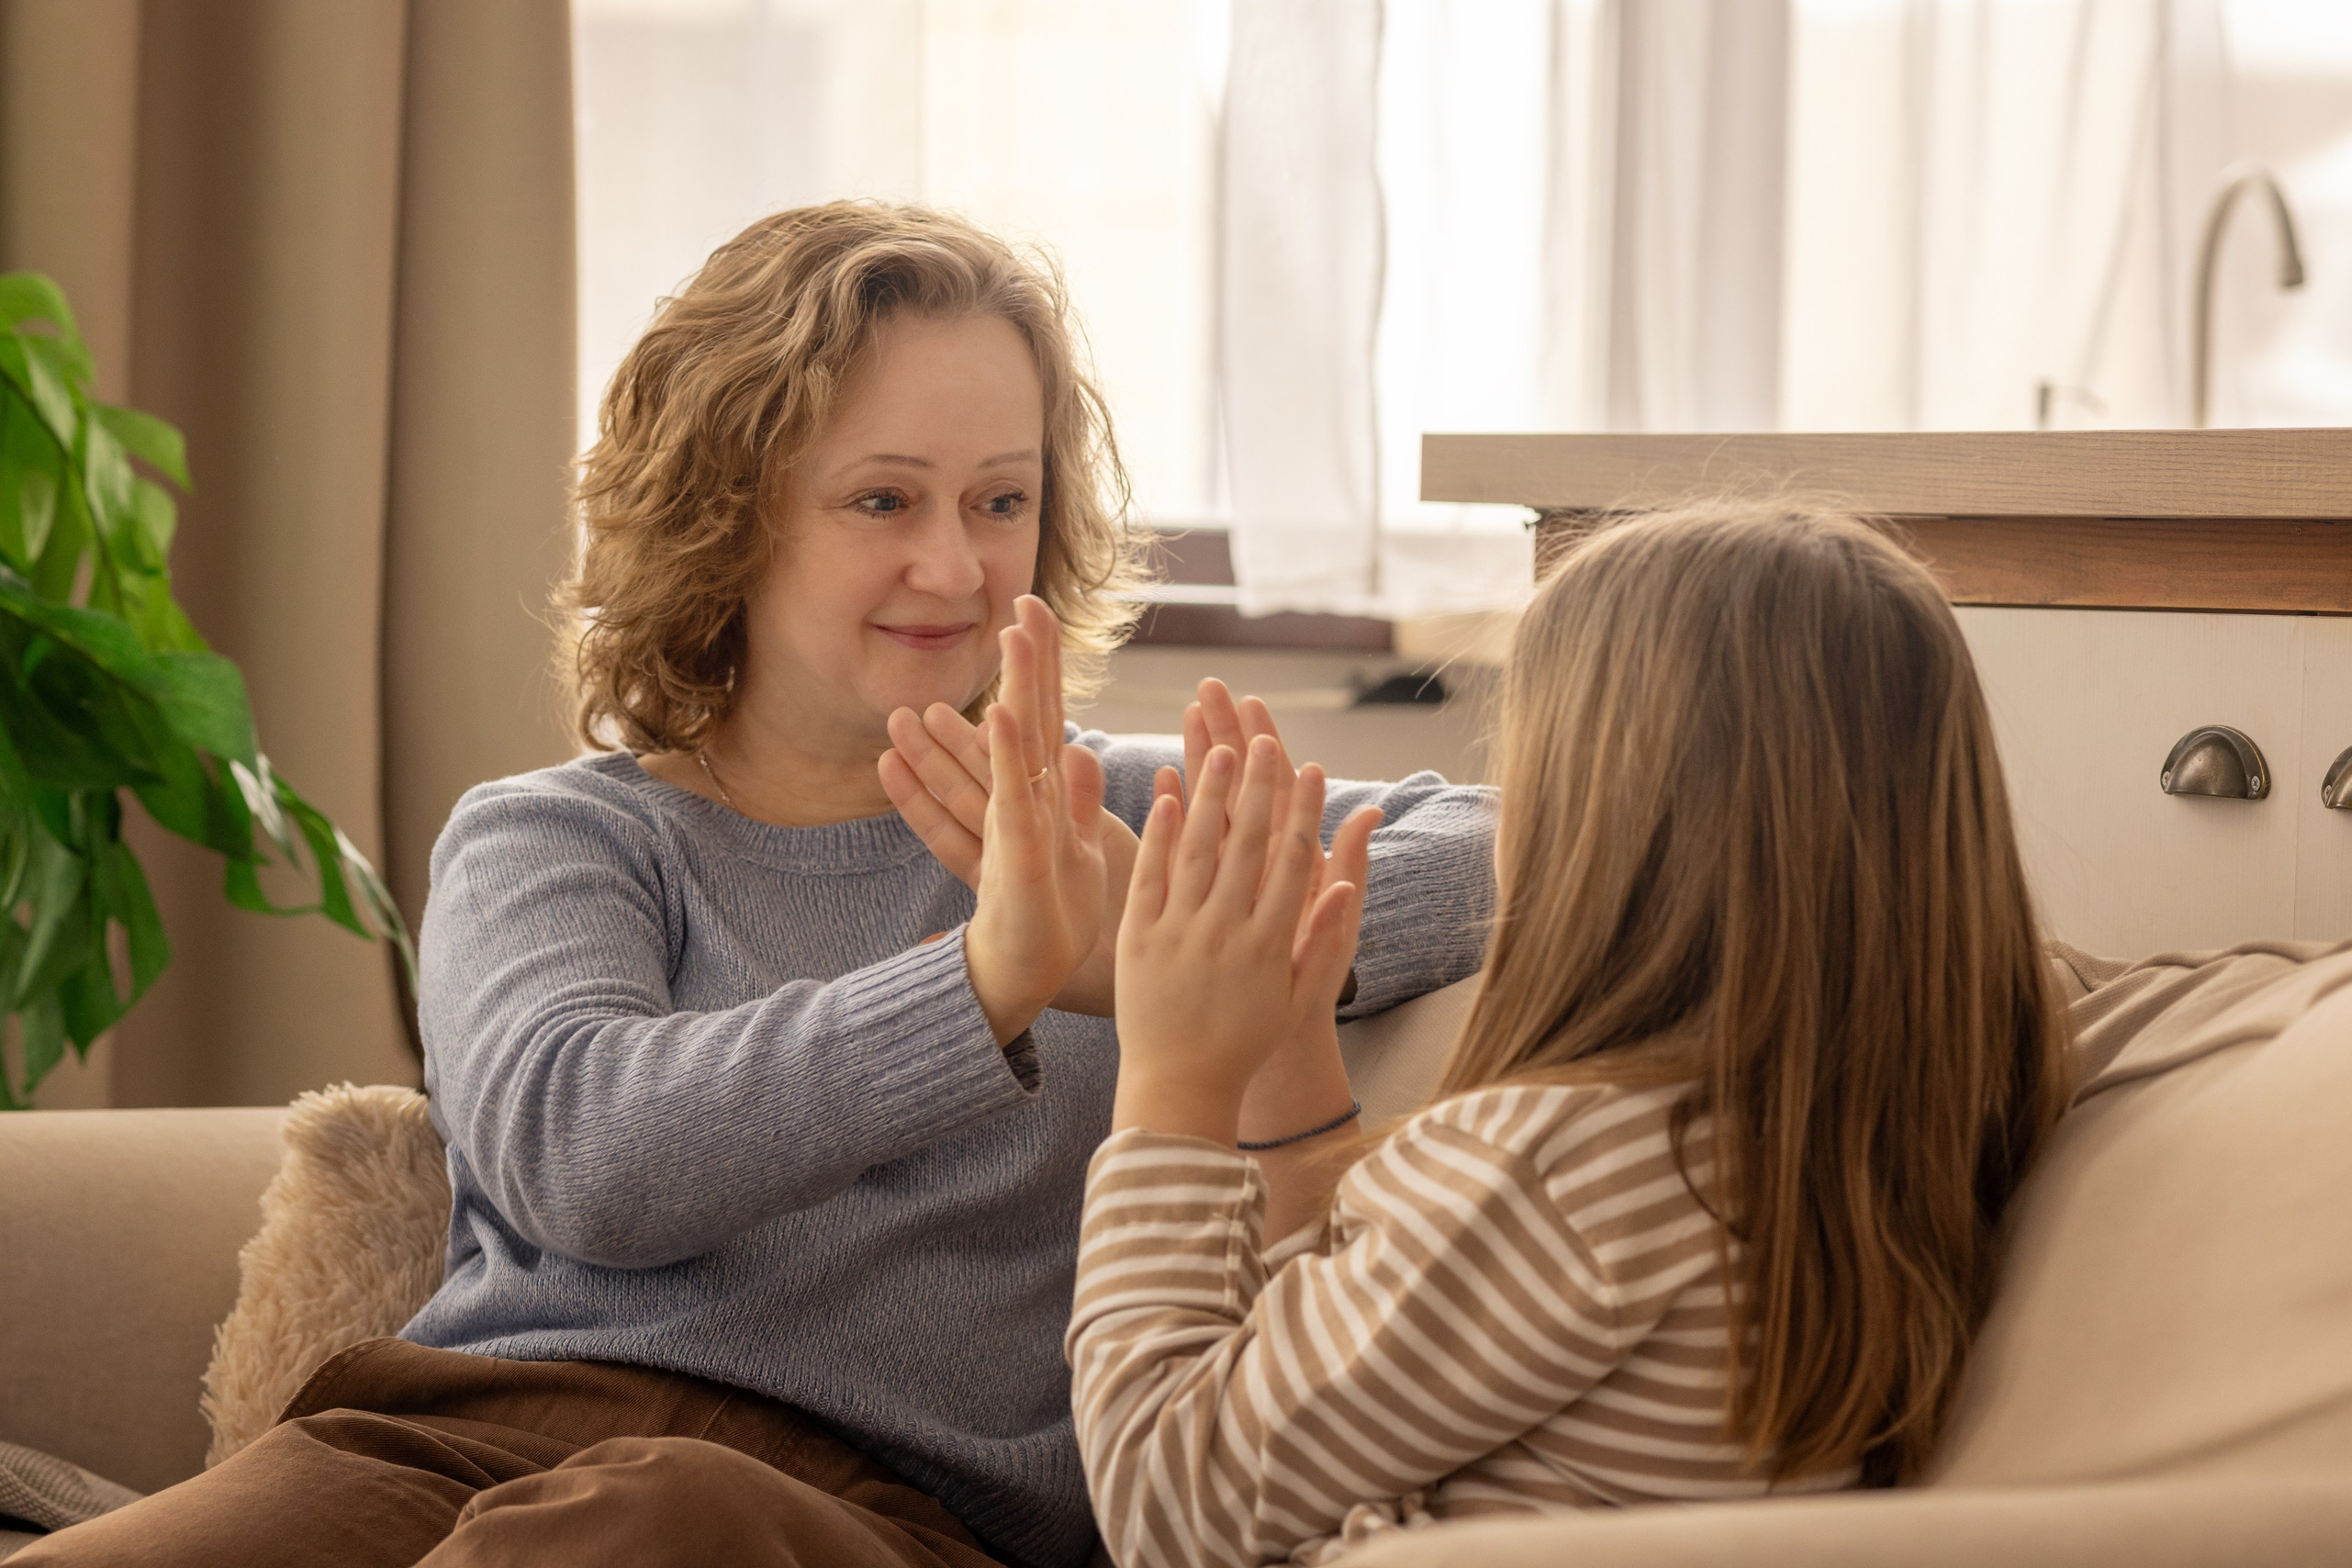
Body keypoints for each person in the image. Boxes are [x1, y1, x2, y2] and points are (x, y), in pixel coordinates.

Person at [17, 203, 1494, 1568]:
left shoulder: (1119, 822)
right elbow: (585, 1155)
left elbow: (1548, 835)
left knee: (656, 1515)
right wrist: (988, 978)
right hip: (451, 1439)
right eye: (881, 501)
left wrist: (1189, 946)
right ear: (727, 517)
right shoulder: (561, 838)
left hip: (887, 1514)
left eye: (1000, 501)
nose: (955, 565)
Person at [1067, 505, 2077, 1568]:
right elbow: (1334, 1369)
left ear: (1602, 828)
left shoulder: (1572, 1168)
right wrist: (1285, 1053)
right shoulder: (1854, 1128)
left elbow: (1162, 1500)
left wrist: (1171, 1074)